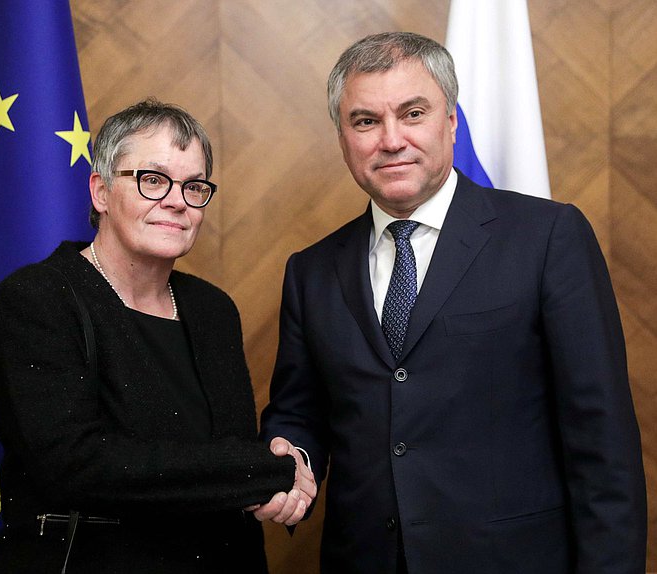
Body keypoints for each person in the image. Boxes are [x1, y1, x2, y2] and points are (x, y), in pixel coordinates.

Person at [257, 32, 647, 573]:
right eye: (366, 121)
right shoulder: (312, 270)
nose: (391, 140)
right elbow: (300, 411)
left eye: (413, 113)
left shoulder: (547, 237)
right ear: (343, 136)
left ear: (452, 120)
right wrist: (292, 457)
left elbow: (602, 444)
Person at [0, 98, 315, 573]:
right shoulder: (36, 300)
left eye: (194, 186)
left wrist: (271, 480)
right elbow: (75, 464)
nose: (177, 201)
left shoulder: (212, 308)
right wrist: (261, 472)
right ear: (100, 191)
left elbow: (231, 453)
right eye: (152, 180)